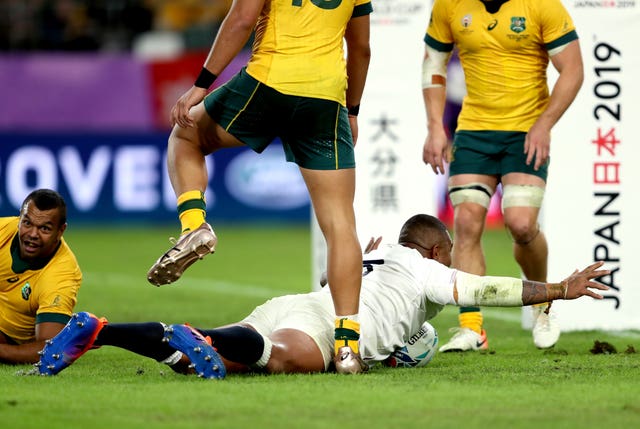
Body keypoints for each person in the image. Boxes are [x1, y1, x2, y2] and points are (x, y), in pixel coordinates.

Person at [36, 214, 608, 378]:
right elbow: (485, 288)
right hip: (331, 324)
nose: (454, 264)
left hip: (300, 303)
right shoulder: (423, 266)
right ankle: (207, 338)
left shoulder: (375, 259)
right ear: (436, 251)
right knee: (283, 358)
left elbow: (416, 335)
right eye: (450, 254)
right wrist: (558, 288)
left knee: (204, 361)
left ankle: (100, 330)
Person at [144, 0, 372, 373]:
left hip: (269, 81)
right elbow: (360, 47)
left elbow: (242, 18)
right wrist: (352, 110)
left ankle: (194, 225)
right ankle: (347, 349)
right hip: (325, 97)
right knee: (340, 224)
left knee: (185, 138)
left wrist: (201, 85)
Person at [420, 0, 585, 351]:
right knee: (465, 224)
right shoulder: (449, 5)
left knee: (522, 226)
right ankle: (472, 328)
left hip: (525, 133)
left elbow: (572, 70)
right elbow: (433, 64)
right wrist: (435, 126)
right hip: (474, 132)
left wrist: (544, 124)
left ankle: (542, 306)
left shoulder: (542, 6)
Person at [0, 189, 81, 364]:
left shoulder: (61, 274)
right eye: (27, 223)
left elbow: (51, 348)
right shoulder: (3, 230)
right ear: (19, 219)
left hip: (11, 338)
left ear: (60, 231)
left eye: (44, 228)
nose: (33, 234)